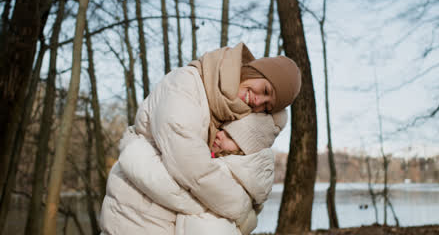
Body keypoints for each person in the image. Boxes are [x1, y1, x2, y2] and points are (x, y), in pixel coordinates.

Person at [99, 43, 301, 234]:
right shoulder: (186, 83)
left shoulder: (232, 113)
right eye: (265, 90)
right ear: (256, 71)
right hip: (138, 212)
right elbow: (192, 167)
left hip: (169, 215)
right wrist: (243, 212)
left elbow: (255, 158)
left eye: (266, 106)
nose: (258, 101)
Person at [174, 110, 288, 235]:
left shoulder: (217, 174)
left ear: (244, 151)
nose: (219, 134)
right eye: (222, 129)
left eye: (230, 136)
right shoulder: (247, 186)